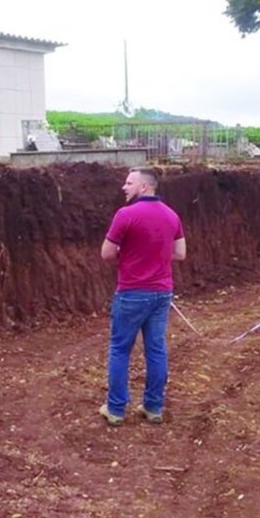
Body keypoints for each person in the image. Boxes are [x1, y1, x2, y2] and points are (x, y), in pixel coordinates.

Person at [99, 167, 186, 426]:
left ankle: (115, 410)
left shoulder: (126, 215)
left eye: (129, 183)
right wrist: (155, 256)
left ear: (144, 187)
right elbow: (180, 253)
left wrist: (132, 255)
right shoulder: (172, 215)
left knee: (120, 349)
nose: (124, 187)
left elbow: (106, 253)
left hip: (132, 292)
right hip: (161, 293)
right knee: (156, 349)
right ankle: (153, 407)